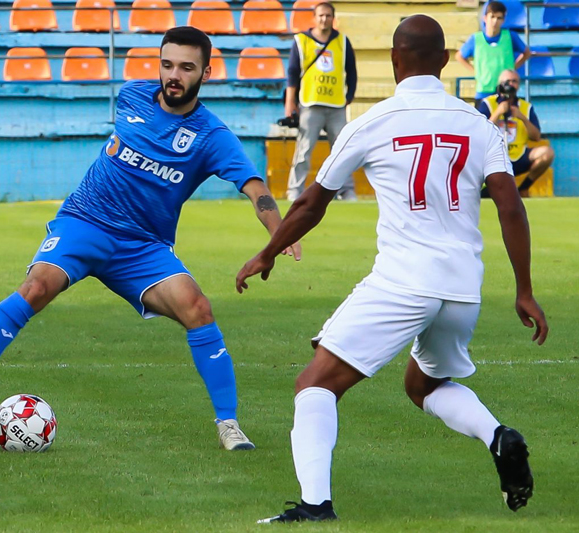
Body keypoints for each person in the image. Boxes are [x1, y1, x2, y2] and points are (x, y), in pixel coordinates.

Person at [237, 15, 548, 522]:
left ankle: (315, 507)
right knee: (423, 387)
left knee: (315, 384)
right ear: (445, 61)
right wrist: (525, 291)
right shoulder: (478, 124)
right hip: (462, 288)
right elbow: (511, 207)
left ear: (394, 60)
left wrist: (269, 251)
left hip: (404, 281)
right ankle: (498, 435)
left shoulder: (371, 122)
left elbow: (313, 202)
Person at [0, 26, 302, 451]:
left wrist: (277, 239)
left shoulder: (212, 137)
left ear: (206, 72)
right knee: (37, 286)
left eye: (187, 68)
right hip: (85, 222)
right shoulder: (131, 95)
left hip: (143, 247)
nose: (174, 75)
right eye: (167, 64)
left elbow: (257, 191)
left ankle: (229, 424)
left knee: (198, 308)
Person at [284, 1, 358, 202]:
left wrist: (349, 96)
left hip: (336, 106)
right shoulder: (301, 41)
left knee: (343, 151)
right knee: (304, 151)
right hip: (310, 104)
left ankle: (346, 191)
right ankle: (294, 190)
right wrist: (290, 103)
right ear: (314, 18)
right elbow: (292, 73)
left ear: (333, 18)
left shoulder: (342, 41)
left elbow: (351, 72)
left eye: (328, 15)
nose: (324, 19)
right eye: (321, 15)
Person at [479, 69, 555, 197]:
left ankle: (523, 188)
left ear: (518, 85)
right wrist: (497, 113)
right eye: (507, 81)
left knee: (547, 153)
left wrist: (522, 118)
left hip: (518, 155)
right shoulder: (488, 104)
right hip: (493, 156)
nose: (510, 84)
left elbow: (536, 137)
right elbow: (480, 133)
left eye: (514, 81)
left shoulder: (526, 107)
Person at [456, 1, 530, 107]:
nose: (495, 21)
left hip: (506, 89)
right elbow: (459, 56)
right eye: (492, 17)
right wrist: (476, 71)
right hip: (483, 90)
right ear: (485, 18)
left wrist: (512, 68)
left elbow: (526, 53)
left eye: (499, 18)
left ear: (503, 20)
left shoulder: (510, 36)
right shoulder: (475, 39)